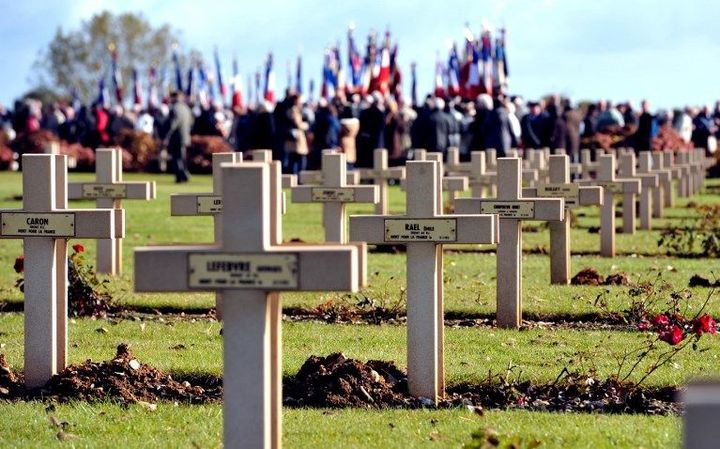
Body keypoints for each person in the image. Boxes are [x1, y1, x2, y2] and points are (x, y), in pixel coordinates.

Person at [164, 91, 193, 183]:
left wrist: (167, 136)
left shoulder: (174, 108)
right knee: (182, 157)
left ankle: (181, 176)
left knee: (177, 157)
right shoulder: (186, 108)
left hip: (176, 137)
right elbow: (191, 122)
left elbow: (173, 124)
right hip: (185, 136)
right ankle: (184, 174)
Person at [282, 93, 309, 174]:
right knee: (296, 163)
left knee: (295, 162)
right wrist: (306, 125)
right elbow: (298, 124)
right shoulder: (293, 110)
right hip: (296, 142)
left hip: (296, 142)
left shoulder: (296, 110)